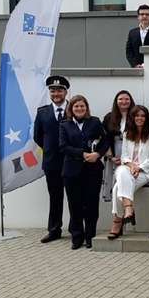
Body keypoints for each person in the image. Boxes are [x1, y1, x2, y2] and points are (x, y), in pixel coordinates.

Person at [58, 95, 107, 249]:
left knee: (91, 205)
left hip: (92, 171)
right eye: (76, 106)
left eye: (82, 106)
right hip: (71, 172)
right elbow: (63, 146)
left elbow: (105, 141)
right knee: (75, 205)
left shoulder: (95, 122)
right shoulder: (64, 125)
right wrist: (82, 154)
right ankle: (77, 236)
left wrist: (98, 154)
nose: (79, 109)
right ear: (71, 109)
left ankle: (90, 236)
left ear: (86, 108)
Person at [108, 106, 149, 240]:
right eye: (137, 116)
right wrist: (131, 166)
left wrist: (139, 168)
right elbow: (124, 156)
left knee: (117, 188)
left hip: (145, 172)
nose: (140, 118)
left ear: (146, 118)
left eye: (143, 116)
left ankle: (117, 221)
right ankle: (128, 208)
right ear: (132, 118)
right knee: (121, 170)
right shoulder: (127, 134)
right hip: (128, 169)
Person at [33, 75, 69, 243]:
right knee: (55, 197)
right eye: (53, 91)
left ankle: (77, 230)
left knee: (75, 197)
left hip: (71, 161)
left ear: (65, 92)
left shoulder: (74, 108)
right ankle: (54, 230)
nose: (56, 94)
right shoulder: (42, 112)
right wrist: (49, 149)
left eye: (59, 90)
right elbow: (38, 136)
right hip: (52, 162)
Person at [101, 90, 135, 202]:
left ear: (131, 101)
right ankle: (115, 209)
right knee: (114, 183)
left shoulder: (136, 115)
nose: (124, 101)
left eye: (127, 99)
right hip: (113, 153)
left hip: (131, 153)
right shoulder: (109, 117)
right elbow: (103, 138)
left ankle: (127, 206)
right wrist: (111, 156)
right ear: (116, 101)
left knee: (127, 182)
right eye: (120, 99)